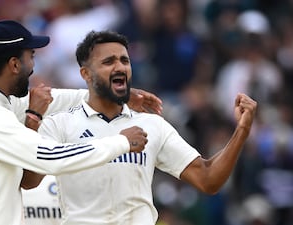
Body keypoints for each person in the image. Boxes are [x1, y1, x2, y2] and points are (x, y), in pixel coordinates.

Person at [0, 20, 164, 225]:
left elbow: (54, 99)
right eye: (31, 56)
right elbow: (53, 157)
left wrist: (114, 95)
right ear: (14, 64)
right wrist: (121, 142)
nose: (34, 65)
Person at [37, 30, 258, 225]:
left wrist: (241, 132)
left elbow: (208, 180)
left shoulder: (151, 125)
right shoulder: (60, 124)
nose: (120, 67)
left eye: (125, 60)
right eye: (109, 62)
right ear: (85, 74)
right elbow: (30, 181)